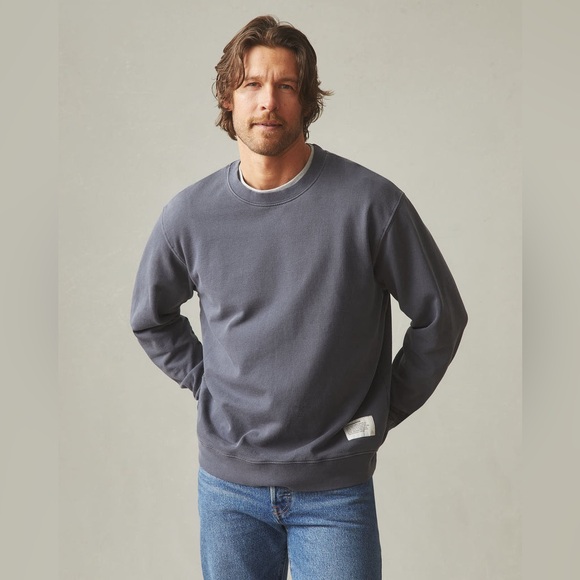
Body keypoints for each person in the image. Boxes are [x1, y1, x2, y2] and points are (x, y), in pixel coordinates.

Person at [130, 14, 467, 580]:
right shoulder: (189, 215)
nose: (269, 101)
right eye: (252, 84)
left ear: (306, 99)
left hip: (335, 492)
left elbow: (442, 317)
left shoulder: (371, 204)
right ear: (228, 99)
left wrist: (381, 408)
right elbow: (151, 317)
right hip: (228, 491)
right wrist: (206, 381)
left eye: (286, 85)